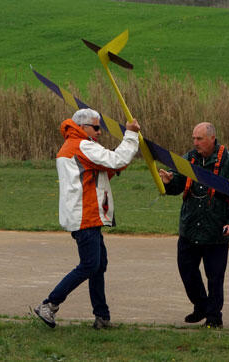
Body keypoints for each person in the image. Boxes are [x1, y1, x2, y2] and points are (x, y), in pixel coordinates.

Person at [33, 108, 140, 329]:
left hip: (86, 215)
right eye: (96, 127)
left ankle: (102, 316)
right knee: (90, 265)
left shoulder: (75, 145)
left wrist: (120, 162)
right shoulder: (82, 145)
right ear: (82, 127)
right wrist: (130, 135)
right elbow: (116, 160)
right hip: (85, 216)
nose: (100, 132)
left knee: (98, 265)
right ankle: (49, 304)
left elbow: (104, 170)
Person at [157, 122, 229, 328]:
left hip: (216, 231)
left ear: (212, 138)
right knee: (186, 271)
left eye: (200, 139)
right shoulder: (188, 159)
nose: (195, 143)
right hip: (189, 229)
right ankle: (201, 306)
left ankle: (214, 317)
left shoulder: (228, 162)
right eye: (194, 139)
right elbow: (177, 186)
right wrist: (169, 182)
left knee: (215, 277)